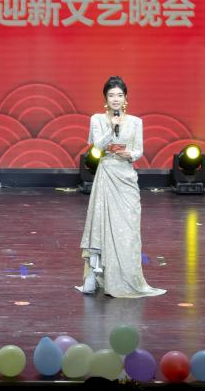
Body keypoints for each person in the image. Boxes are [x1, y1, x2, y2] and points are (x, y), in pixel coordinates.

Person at [76, 76, 165, 298]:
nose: (115, 99)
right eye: (111, 95)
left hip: (126, 177)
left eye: (119, 95)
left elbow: (139, 150)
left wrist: (130, 154)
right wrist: (112, 127)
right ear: (105, 99)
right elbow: (97, 146)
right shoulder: (97, 119)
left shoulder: (136, 122)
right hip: (106, 173)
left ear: (126, 98)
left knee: (129, 229)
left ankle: (126, 276)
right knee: (102, 224)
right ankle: (96, 273)